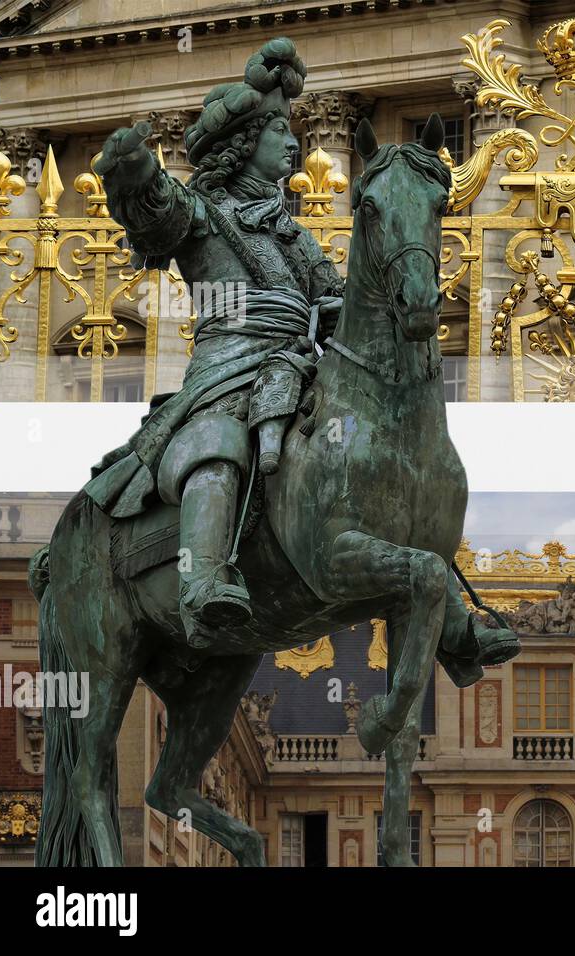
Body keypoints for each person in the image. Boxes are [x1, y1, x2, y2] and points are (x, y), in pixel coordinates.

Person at [85, 39, 343, 647]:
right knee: (218, 444)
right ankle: (201, 583)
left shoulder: (294, 233)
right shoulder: (204, 211)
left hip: (297, 364)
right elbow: (157, 215)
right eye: (279, 131)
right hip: (228, 363)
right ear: (245, 143)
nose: (293, 143)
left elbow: (332, 299)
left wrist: (347, 313)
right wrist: (138, 171)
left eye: (291, 131)